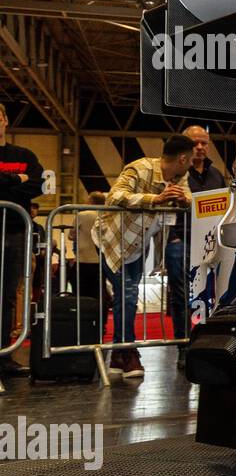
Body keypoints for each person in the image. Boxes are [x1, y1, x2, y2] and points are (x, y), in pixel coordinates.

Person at [95, 134, 194, 379]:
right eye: (190, 160)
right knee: (128, 295)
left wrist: (184, 200)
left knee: (127, 296)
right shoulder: (140, 168)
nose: (192, 164)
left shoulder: (180, 177)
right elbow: (114, 196)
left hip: (138, 245)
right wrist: (155, 199)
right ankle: (129, 352)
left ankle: (119, 354)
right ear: (182, 158)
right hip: (114, 241)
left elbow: (190, 199)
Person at [165, 125, 225, 366]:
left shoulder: (216, 174)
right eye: (195, 143)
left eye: (204, 143)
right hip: (179, 241)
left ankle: (207, 343)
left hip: (209, 244)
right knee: (180, 297)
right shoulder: (176, 171)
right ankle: (183, 346)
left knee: (210, 294)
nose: (199, 147)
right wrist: (172, 238)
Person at [0, 104, 43, 376]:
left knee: (7, 297)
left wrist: (7, 181)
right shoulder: (22, 164)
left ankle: (3, 354)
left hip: (15, 232)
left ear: (4, 120)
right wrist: (17, 179)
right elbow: (25, 183)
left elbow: (38, 185)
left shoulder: (24, 154)